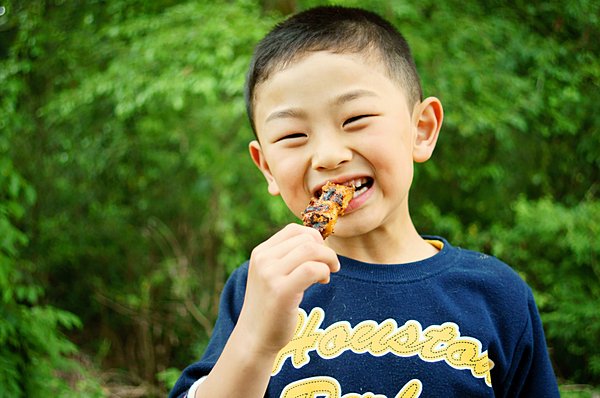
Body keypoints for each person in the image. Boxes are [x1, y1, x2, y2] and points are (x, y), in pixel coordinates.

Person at [170, 5, 560, 398]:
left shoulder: (495, 294)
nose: (327, 155)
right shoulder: (264, 285)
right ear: (267, 166)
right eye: (292, 136)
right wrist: (254, 341)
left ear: (420, 129)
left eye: (355, 119)